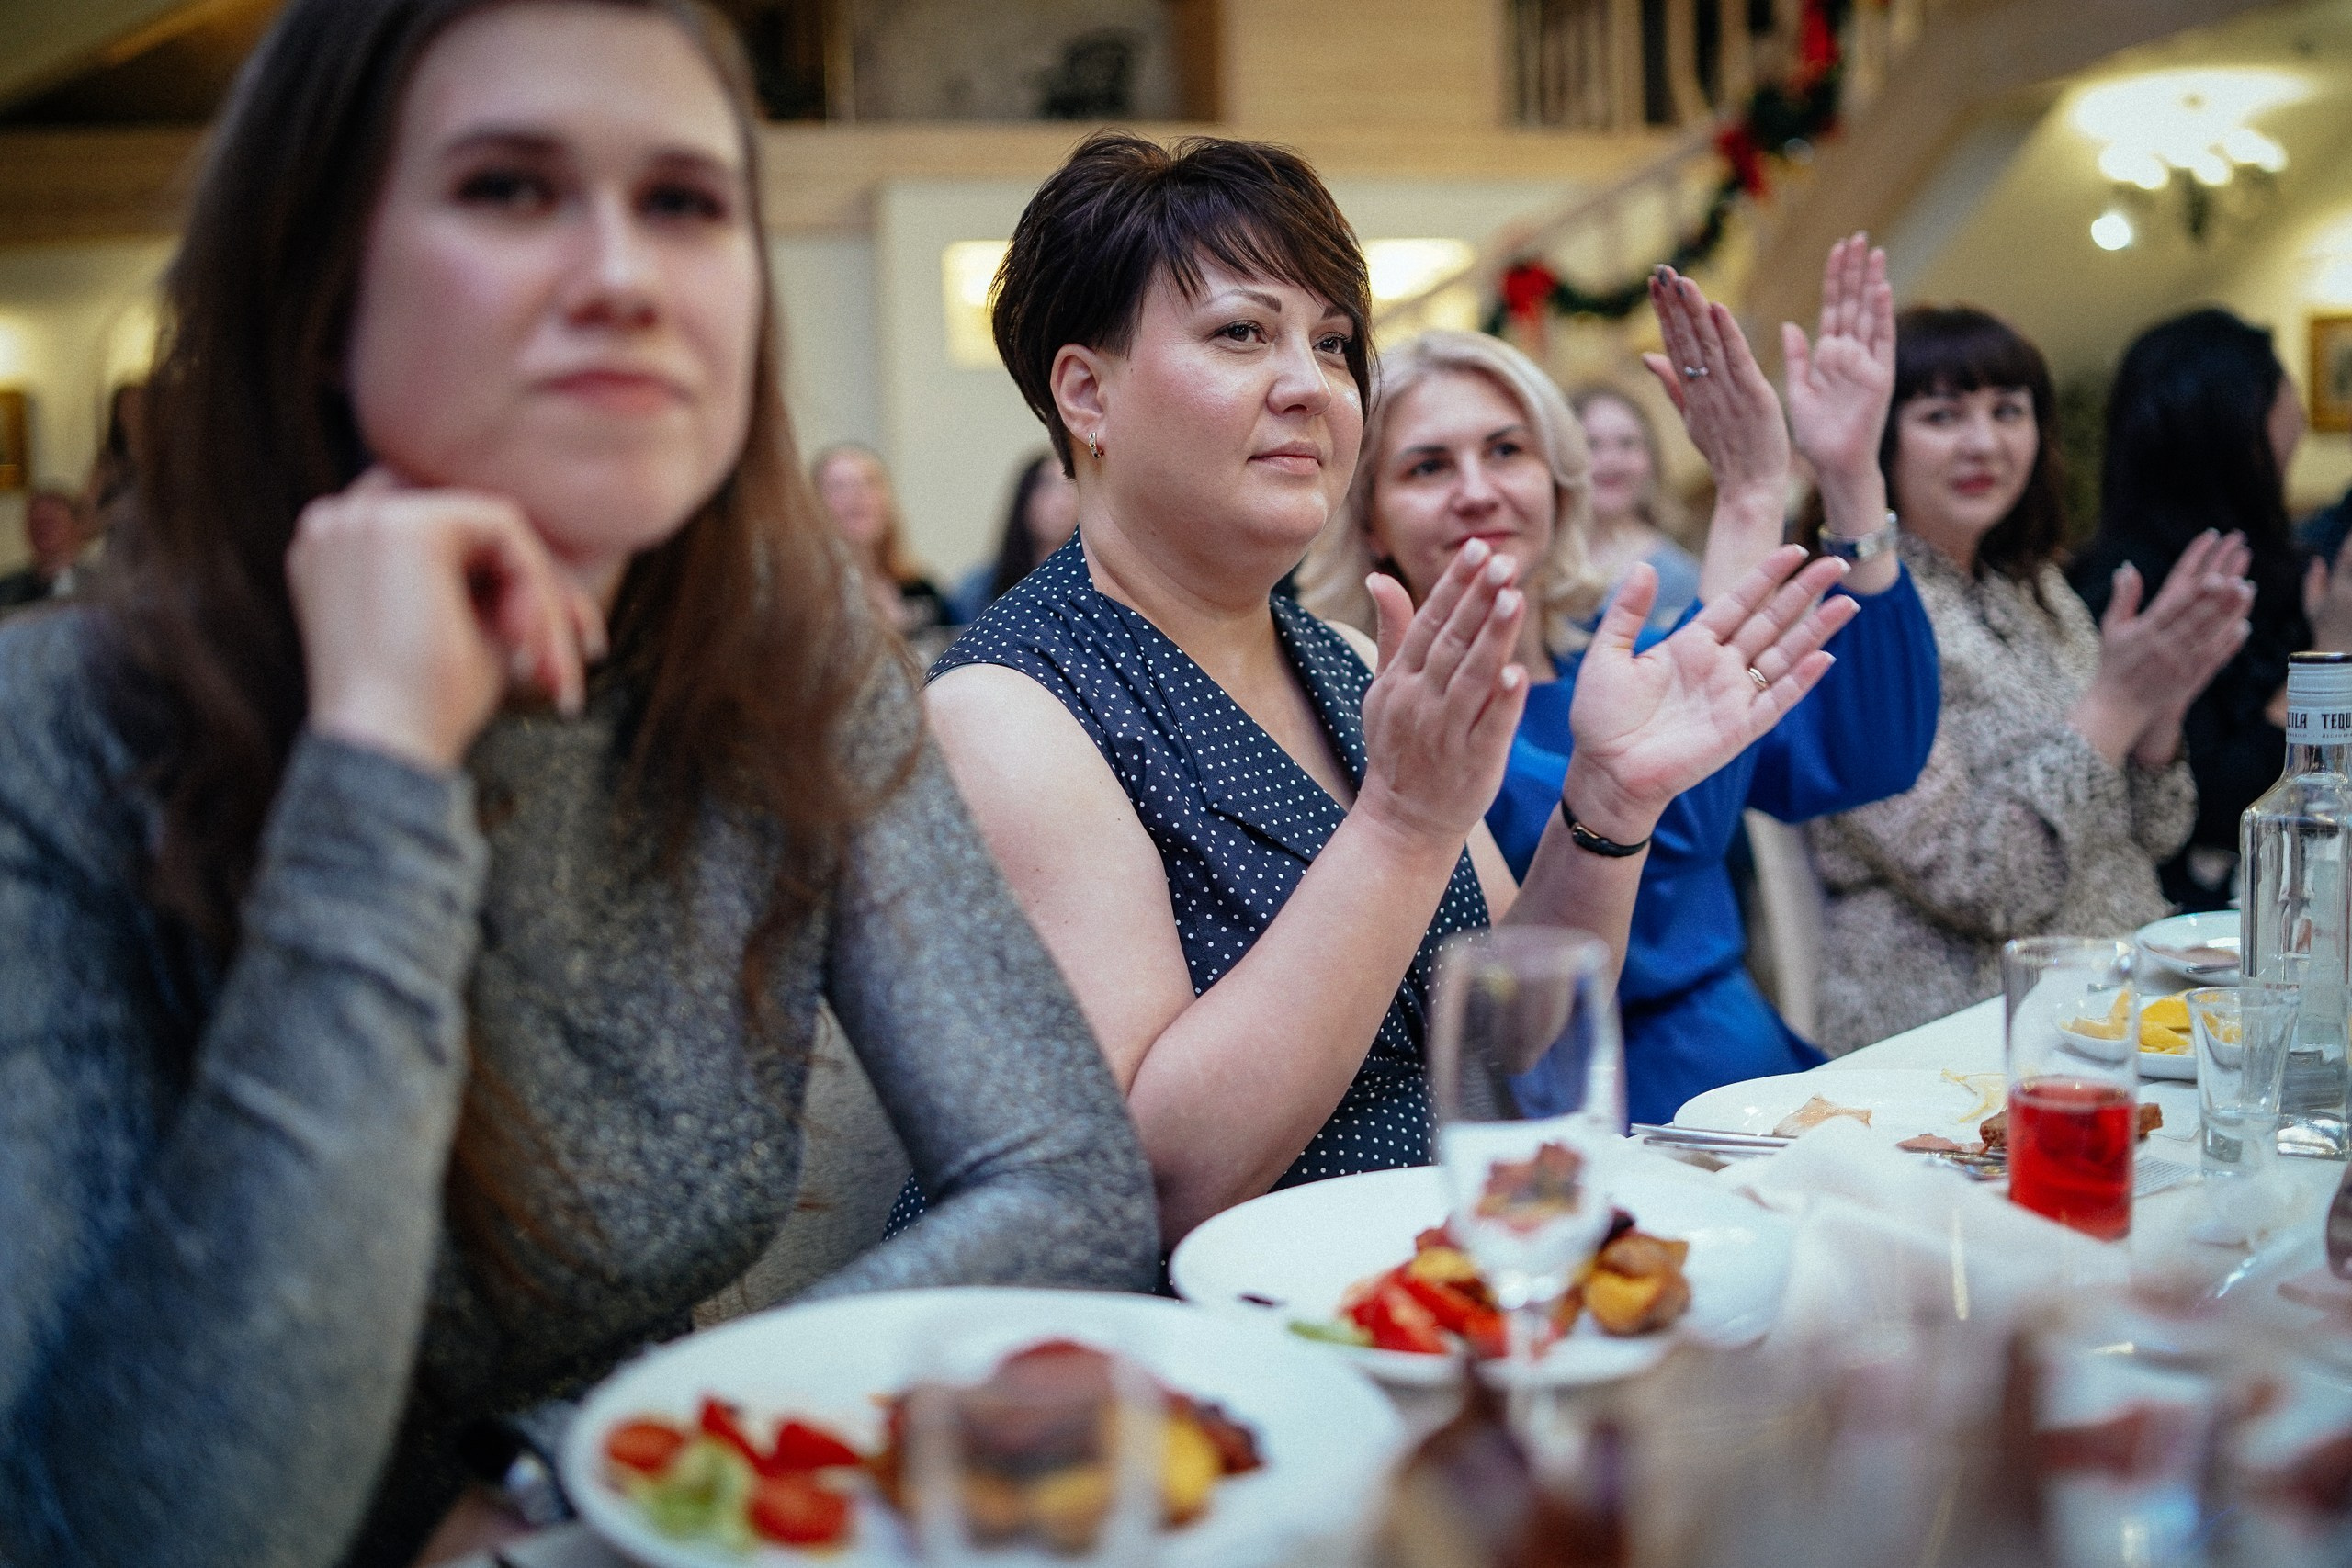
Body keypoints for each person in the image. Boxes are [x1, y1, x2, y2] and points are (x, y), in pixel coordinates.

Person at [0, 5, 1157, 1567]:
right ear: (318, 283)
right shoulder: (53, 733)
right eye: (507, 188)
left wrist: (584, 1473)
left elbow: (1068, 1182)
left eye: (684, 202)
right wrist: (378, 764)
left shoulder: (793, 652)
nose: (623, 276)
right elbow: (137, 1534)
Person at [918, 130, 1858, 1245]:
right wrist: (1404, 824)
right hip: (1199, 1316)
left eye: (1331, 344)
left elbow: (1512, 1042)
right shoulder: (1007, 705)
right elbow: (1154, 1180)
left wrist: (1608, 804)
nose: (1309, 387)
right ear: (1087, 394)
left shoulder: (1346, 659)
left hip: (1433, 1268)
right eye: (1241, 333)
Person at [1301, 239, 1939, 1123]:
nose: (1477, 490)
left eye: (1506, 450)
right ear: (1369, 520)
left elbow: (1872, 752)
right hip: (1585, 1106)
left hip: (1754, 1078)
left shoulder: (1613, 657)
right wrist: (1750, 497)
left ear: (1560, 487)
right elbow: (1669, 823)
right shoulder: (1370, 711)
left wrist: (1851, 477)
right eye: (1427, 466)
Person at [1809, 306, 2255, 1051]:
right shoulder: (1852, 613)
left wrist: (2160, 711)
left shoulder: (2035, 588)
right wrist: (2115, 704)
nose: (1985, 442)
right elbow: (1987, 883)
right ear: (1876, 439)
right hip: (1962, 1028)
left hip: (2121, 998)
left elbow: (2154, 832)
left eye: (2008, 410)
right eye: (1943, 415)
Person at [2071, 308, 2345, 910]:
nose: (2298, 411)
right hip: (2197, 917)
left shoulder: (2274, 561)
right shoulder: (2134, 587)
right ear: (2239, 420)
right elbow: (2214, 811)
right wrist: (2328, 652)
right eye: (2283, 385)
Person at [1570, 385, 1702, 634]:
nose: (1611, 460)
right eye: (1591, 444)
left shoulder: (1680, 578)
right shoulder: (1539, 562)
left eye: (1627, 444)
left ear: (1651, 459)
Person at [812, 440, 955, 649]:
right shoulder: (805, 597)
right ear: (812, 504)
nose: (857, 495)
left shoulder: (921, 590)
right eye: (839, 486)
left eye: (869, 482)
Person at [951, 449, 1080, 621]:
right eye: (1048, 485)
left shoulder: (1097, 585)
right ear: (1025, 495)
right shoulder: (978, 589)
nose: (1061, 502)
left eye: (1071, 485)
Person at [0, 488, 96, 612]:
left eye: (50, 522)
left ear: (76, 526)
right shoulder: (6, 590)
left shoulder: (101, 586)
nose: (43, 530)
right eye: (36, 523)